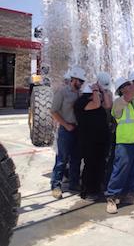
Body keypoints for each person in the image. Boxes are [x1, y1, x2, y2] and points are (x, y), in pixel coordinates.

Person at [105, 77, 134, 214]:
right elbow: (128, 96)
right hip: (124, 143)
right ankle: (111, 197)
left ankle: (129, 194)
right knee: (120, 170)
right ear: (122, 89)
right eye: (128, 85)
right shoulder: (118, 103)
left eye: (130, 84)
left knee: (133, 170)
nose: (131, 86)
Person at [50, 66, 86, 199]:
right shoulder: (62, 92)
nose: (81, 84)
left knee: (76, 159)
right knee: (62, 159)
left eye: (82, 82)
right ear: (73, 79)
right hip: (66, 129)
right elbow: (53, 111)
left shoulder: (80, 94)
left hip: (77, 130)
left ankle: (74, 184)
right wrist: (65, 124)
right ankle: (56, 185)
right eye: (80, 81)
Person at [74, 83, 111, 200]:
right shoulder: (81, 103)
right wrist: (95, 90)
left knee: (100, 164)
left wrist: (103, 91)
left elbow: (108, 105)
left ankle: (97, 188)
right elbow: (95, 104)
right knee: (90, 165)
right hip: (88, 140)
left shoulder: (97, 102)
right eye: (96, 94)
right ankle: (87, 190)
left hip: (100, 139)